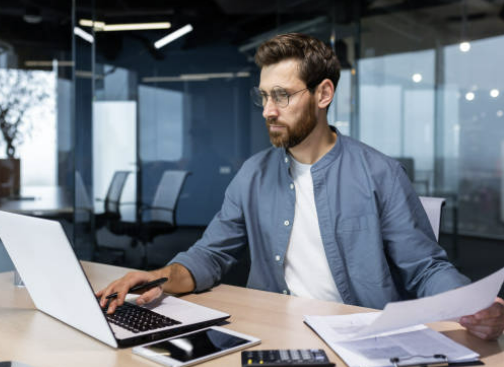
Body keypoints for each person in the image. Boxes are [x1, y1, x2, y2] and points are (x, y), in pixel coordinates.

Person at [97, 33, 504, 340]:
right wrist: (159, 277)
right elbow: (210, 254)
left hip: (359, 338)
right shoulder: (252, 175)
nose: (269, 111)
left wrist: (473, 306)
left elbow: (425, 268)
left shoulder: (380, 173)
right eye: (264, 97)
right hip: (272, 330)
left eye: (282, 96)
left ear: (323, 93)